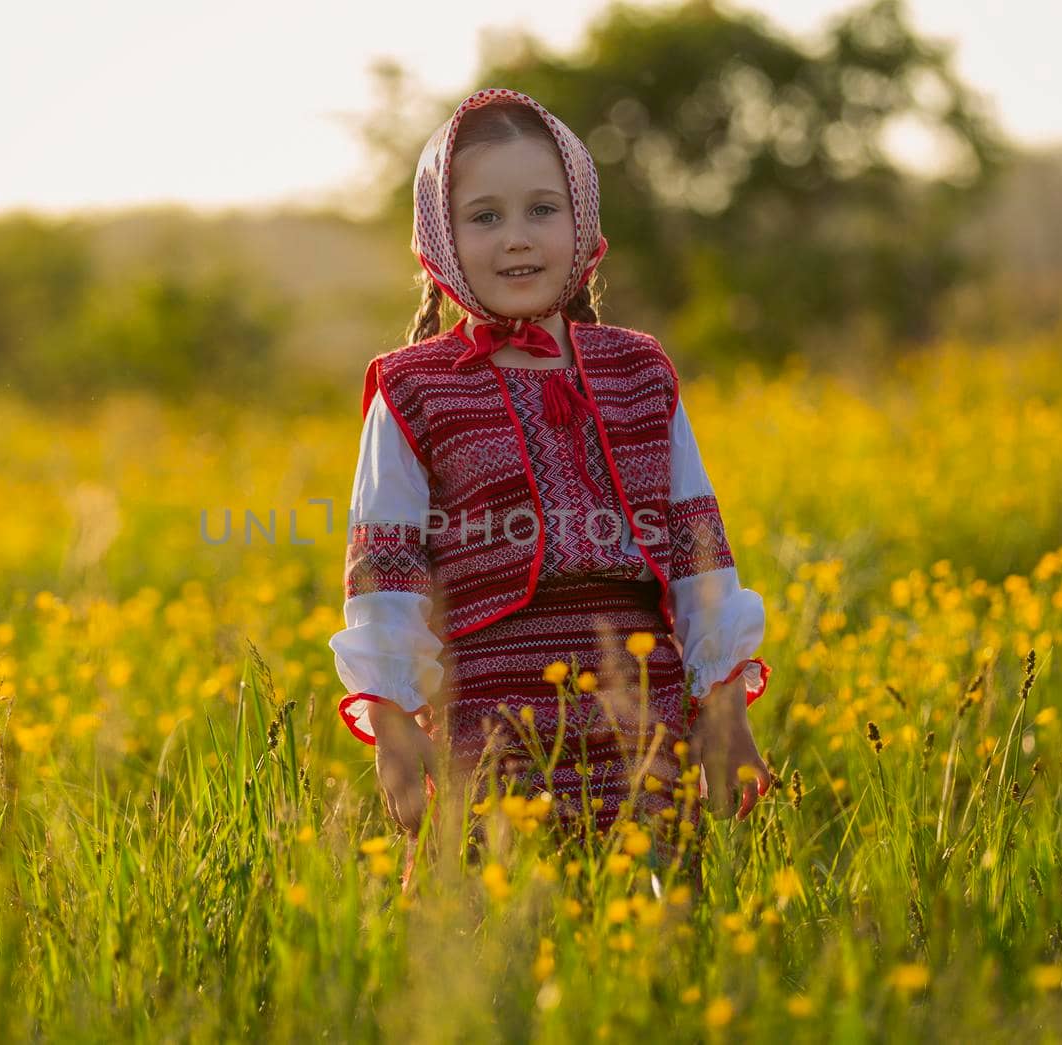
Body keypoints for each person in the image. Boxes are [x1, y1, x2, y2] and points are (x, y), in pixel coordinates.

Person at [328, 88, 772, 890]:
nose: (518, 239)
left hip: (643, 702)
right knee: (497, 921)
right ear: (440, 237)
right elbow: (384, 565)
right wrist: (393, 716)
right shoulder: (414, 390)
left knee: (660, 920)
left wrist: (725, 705)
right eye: (485, 217)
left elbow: (697, 541)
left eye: (542, 208)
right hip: (489, 709)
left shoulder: (639, 370)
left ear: (583, 222)